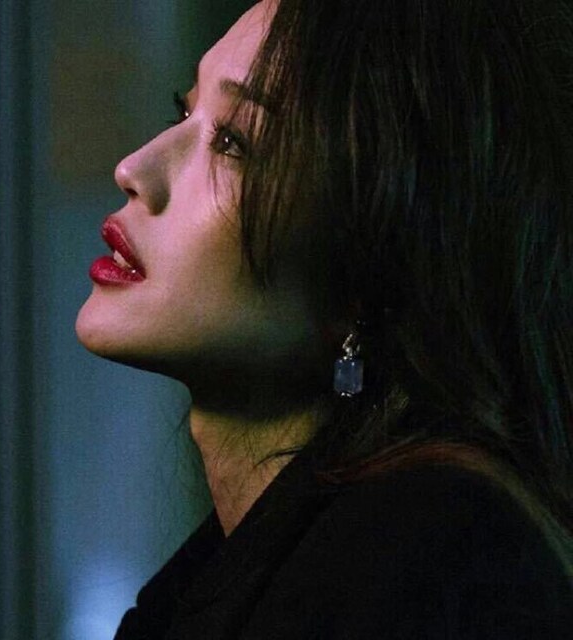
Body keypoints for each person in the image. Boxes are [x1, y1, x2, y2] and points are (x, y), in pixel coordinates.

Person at [76, 0, 573, 637]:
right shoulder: (235, 567)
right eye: (184, 111)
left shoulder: (435, 559)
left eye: (233, 142)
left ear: (373, 263)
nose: (134, 169)